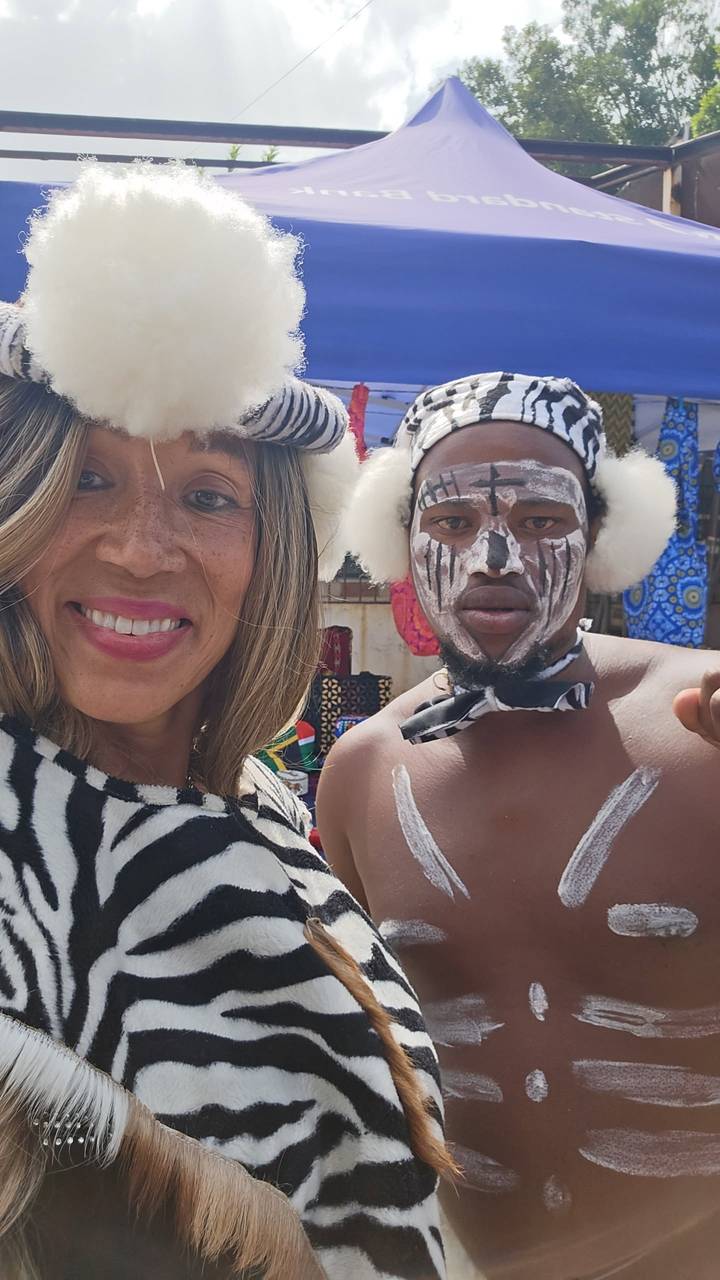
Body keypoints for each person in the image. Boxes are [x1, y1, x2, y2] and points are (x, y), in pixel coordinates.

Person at [0, 164, 453, 1280]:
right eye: (90, 480)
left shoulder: (261, 803)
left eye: (208, 494)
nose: (143, 548)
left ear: (273, 553)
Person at [318, 371, 720, 1280]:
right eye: (453, 522)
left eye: (539, 520)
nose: (492, 556)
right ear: (405, 537)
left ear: (598, 536)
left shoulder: (701, 715)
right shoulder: (362, 772)